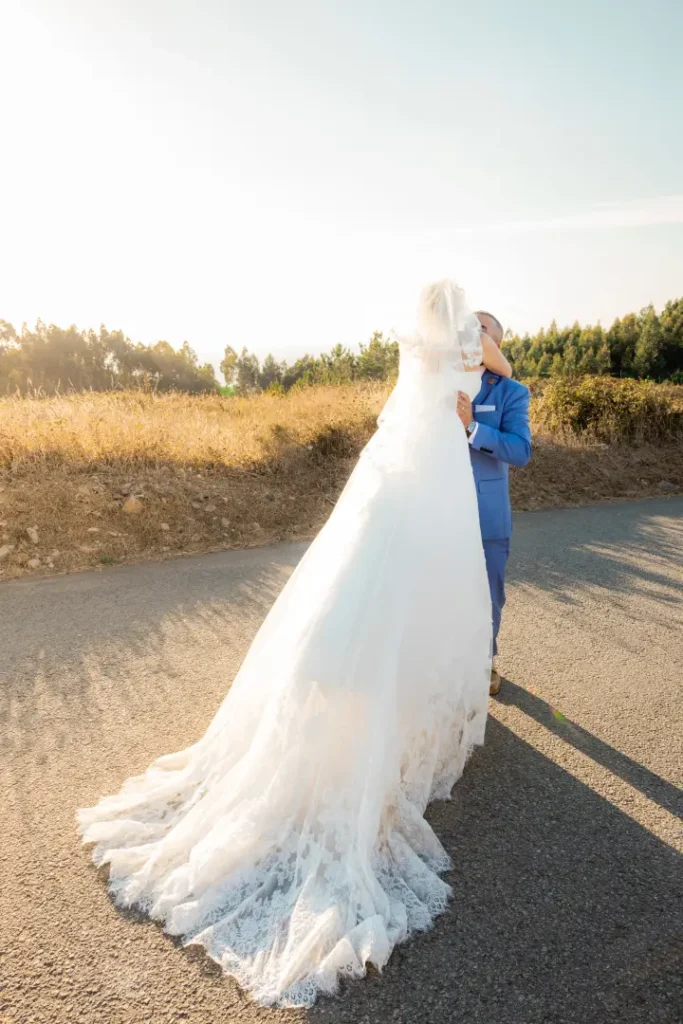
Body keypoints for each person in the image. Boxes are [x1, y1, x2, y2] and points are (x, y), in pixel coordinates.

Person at [77, 281, 512, 1008]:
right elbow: (502, 371)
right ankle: (392, 727)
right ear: (460, 316)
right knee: (428, 596)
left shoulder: (414, 345)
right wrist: (480, 348)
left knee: (371, 585)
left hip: (400, 471)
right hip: (437, 475)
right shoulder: (472, 345)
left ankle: (356, 699)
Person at [455, 311, 532, 696]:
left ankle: (484, 663)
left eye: (480, 327)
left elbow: (520, 451)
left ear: (495, 344)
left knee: (488, 596)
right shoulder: (438, 383)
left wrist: (473, 427)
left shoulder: (511, 392)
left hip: (487, 516)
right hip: (438, 514)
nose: (469, 329)